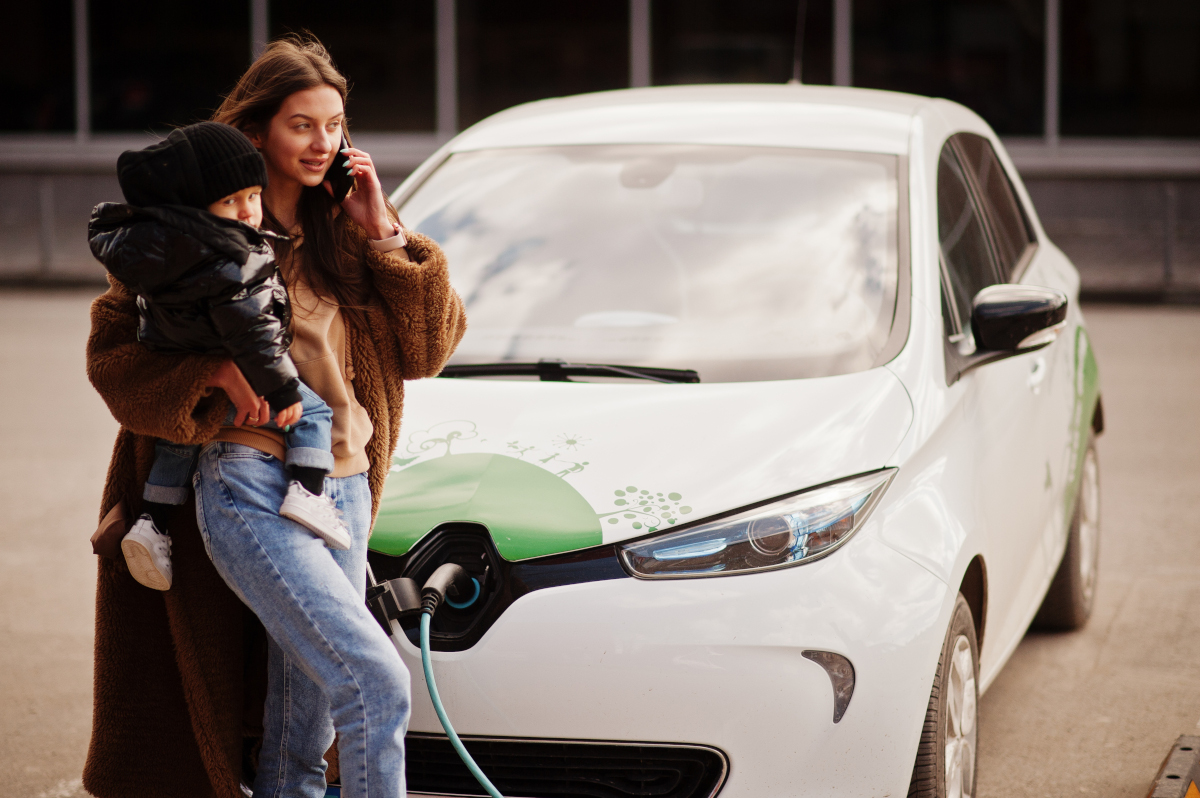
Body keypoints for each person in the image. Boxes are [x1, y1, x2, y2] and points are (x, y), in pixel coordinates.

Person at [83, 35, 466, 798]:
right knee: (374, 681)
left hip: (347, 484)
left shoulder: (348, 232)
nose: (324, 143)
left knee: (306, 725)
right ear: (257, 131)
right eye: (303, 125)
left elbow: (430, 349)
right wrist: (212, 374)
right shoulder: (184, 231)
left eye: (335, 125)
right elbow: (113, 359)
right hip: (246, 480)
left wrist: (385, 230)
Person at [88, 122, 350, 592]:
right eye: (232, 201)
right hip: (246, 409)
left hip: (196, 395)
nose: (250, 212)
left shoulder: (160, 250)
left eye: (253, 196)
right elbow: (252, 328)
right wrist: (278, 383)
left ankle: (153, 520)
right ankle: (309, 491)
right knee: (313, 413)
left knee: (179, 446)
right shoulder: (231, 257)